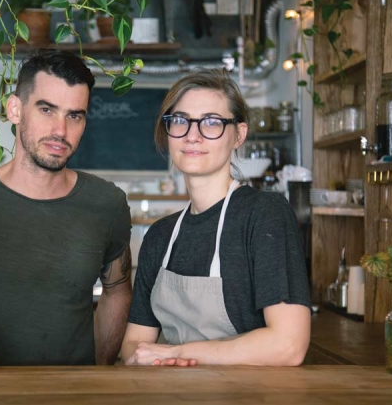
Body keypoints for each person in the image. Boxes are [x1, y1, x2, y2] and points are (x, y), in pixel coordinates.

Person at [0, 49, 132, 373]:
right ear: (15, 109)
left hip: (77, 395)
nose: (61, 130)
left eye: (75, 115)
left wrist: (99, 369)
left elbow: (117, 290)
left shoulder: (107, 203)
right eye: (47, 109)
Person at [121, 69, 311, 367]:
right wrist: (153, 358)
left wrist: (177, 353)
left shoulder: (264, 216)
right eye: (180, 121)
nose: (192, 135)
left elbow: (289, 345)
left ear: (239, 135)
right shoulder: (160, 237)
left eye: (211, 122)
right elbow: (133, 343)